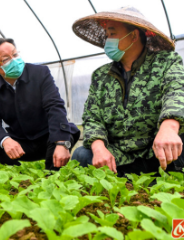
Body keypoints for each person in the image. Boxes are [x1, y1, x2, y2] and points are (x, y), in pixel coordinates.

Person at [71, 6, 184, 175]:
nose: (108, 40)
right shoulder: (101, 75)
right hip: (118, 157)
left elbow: (176, 91)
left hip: (157, 151)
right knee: (82, 154)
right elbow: (92, 117)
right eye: (108, 34)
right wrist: (99, 146)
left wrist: (169, 127)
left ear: (133, 35)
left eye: (112, 33)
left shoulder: (167, 62)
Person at [0, 38, 80, 169]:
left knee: (63, 135)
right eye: (6, 59)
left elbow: (54, 106)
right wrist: (5, 140)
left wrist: (62, 143)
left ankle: (52, 176)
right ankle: (15, 176)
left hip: (48, 137)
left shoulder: (40, 73)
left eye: (15, 54)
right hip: (21, 143)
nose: (14, 60)